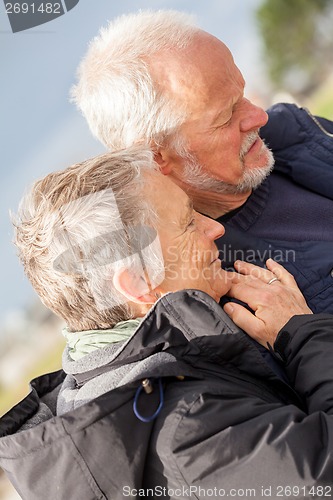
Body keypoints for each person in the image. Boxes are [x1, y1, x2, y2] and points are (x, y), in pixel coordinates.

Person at [1, 146, 333, 499]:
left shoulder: (119, 385)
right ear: (139, 282)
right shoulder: (188, 426)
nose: (215, 228)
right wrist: (302, 332)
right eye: (189, 221)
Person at [71, 9, 333, 314]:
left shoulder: (295, 130)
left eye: (242, 94)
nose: (259, 117)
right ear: (157, 156)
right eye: (225, 118)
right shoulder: (209, 286)